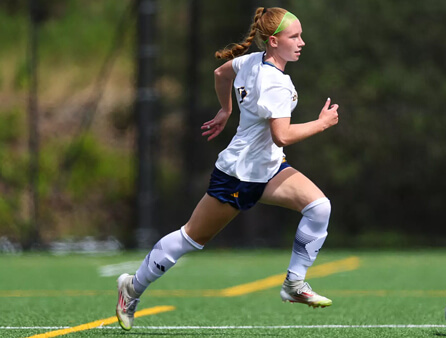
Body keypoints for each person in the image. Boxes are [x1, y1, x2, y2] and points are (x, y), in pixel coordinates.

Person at [115, 7, 340, 331]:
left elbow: (222, 73)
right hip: (238, 175)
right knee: (190, 239)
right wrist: (321, 124)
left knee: (319, 207)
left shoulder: (251, 61)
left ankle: (294, 284)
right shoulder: (275, 82)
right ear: (274, 41)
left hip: (269, 168)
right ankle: (131, 288)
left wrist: (226, 109)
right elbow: (282, 135)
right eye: (295, 37)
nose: (302, 42)